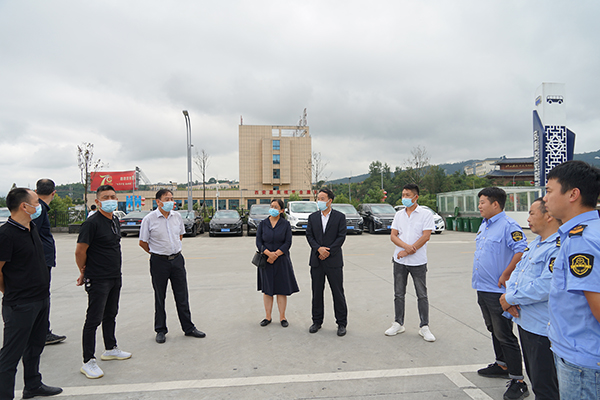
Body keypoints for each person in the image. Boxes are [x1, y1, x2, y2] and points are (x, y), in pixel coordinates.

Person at [543, 160, 600, 400]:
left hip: (583, 360)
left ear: (573, 194)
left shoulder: (582, 240)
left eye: (549, 191)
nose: (545, 198)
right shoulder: (589, 230)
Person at [0, 188, 62, 399]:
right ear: (24, 206)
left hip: (41, 298)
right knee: (11, 354)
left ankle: (33, 385)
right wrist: (10, 291)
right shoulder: (6, 235)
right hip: (20, 304)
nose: (39, 206)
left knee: (35, 347)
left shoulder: (31, 227)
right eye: (36, 202)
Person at [499, 198, 560, 400]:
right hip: (526, 323)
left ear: (548, 215)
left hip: (543, 330)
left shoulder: (559, 246)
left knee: (547, 387)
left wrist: (510, 298)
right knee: (536, 381)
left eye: (532, 213)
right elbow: (517, 272)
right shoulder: (535, 244)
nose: (528, 219)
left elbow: (546, 285)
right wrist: (509, 297)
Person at [472, 187, 529, 400]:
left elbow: (521, 250)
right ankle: (502, 364)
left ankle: (518, 381)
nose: (479, 206)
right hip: (483, 287)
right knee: (493, 329)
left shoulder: (508, 225)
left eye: (483, 202)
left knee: (505, 334)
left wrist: (507, 273)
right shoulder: (485, 224)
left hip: (498, 291)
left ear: (495, 204)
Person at [75, 185, 131, 379]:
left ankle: (110, 348)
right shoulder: (91, 223)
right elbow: (80, 251)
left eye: (113, 196)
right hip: (98, 278)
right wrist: (83, 271)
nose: (110, 200)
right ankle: (88, 361)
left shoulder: (114, 219)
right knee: (93, 319)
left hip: (114, 275)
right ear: (97, 201)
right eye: (105, 197)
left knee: (111, 313)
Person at [139, 189, 206, 344]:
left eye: (171, 198)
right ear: (158, 201)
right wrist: (156, 252)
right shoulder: (149, 219)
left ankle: (188, 328)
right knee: (160, 296)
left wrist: (172, 249)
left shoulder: (177, 217)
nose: (170, 202)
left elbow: (180, 235)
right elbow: (142, 242)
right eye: (166, 199)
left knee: (182, 295)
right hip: (159, 262)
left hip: (177, 260)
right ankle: (160, 330)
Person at [385, 184, 435, 342]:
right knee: (399, 294)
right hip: (399, 261)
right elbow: (393, 236)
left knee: (422, 295)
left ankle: (424, 326)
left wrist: (408, 251)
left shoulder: (425, 214)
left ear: (416, 197)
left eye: (407, 195)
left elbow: (426, 236)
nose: (404, 198)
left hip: (418, 262)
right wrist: (406, 248)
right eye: (403, 195)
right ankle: (398, 323)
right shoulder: (399, 215)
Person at [306, 188, 348, 336]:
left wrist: (328, 251)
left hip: (334, 261)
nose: (319, 201)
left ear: (330, 201)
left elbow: (341, 237)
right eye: (318, 198)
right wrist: (319, 249)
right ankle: (317, 321)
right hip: (316, 261)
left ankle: (341, 323)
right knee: (317, 292)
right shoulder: (312, 217)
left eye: (322, 199)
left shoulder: (339, 217)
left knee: (337, 292)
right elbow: (309, 236)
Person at [32, 179, 67, 345]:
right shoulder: (38, 210)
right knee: (41, 297)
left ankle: (40, 332)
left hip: (41, 260)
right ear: (54, 193)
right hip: (40, 261)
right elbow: (32, 234)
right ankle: (42, 333)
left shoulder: (39, 208)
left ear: (36, 191)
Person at [256, 199, 299, 327]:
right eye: (271, 206)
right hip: (266, 260)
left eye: (276, 207)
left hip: (281, 260)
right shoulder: (263, 224)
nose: (273, 209)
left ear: (281, 210)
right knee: (267, 290)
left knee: (281, 290)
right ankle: (267, 317)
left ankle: (282, 317)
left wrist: (276, 254)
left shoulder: (285, 224)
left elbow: (288, 242)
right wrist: (268, 253)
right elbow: (259, 242)